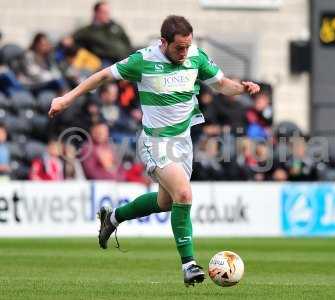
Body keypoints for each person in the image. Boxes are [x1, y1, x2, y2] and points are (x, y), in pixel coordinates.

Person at [48, 15, 259, 286]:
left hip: (183, 144)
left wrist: (242, 88)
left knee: (166, 203)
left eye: (187, 46)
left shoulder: (196, 57)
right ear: (163, 42)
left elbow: (221, 85)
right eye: (178, 48)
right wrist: (66, 99)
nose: (184, 53)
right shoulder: (143, 60)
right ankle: (189, 265)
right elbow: (102, 76)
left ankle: (112, 217)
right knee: (183, 194)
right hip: (154, 142)